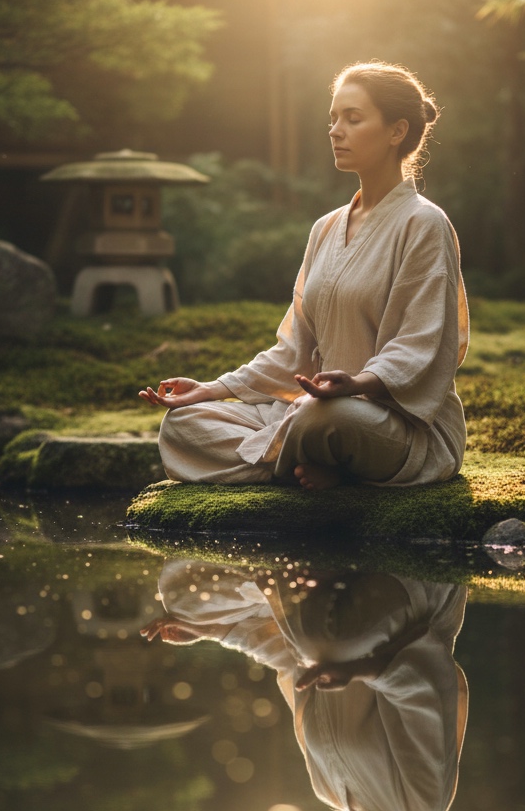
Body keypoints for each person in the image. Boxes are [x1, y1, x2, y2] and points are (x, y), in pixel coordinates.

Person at [139, 61, 469, 490]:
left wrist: (357, 384)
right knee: (183, 424)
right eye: (332, 119)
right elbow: (294, 351)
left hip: (392, 422)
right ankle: (313, 467)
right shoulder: (325, 228)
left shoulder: (424, 223)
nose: (335, 130)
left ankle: (305, 459)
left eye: (353, 119)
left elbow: (421, 344)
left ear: (396, 131)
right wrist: (213, 389)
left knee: (322, 418)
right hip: (313, 410)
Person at [142, 559, 469, 811]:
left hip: (330, 631)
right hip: (406, 612)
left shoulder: (329, 791)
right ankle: (302, 573)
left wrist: (215, 631)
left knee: (184, 599)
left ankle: (298, 571)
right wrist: (356, 670)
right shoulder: (423, 805)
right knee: (325, 644)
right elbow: (424, 688)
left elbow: (291, 664)